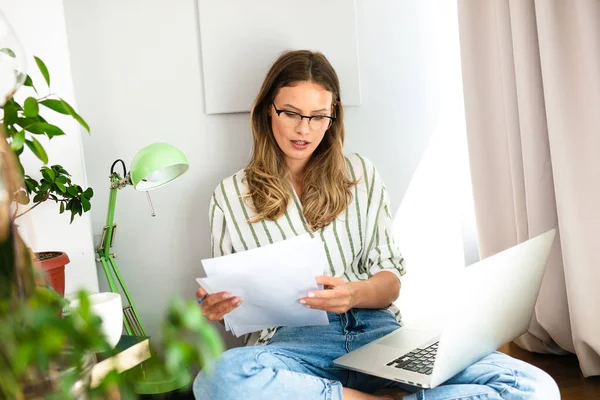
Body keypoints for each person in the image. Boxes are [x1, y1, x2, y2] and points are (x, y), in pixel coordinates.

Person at [193, 50, 559, 400]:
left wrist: (353, 294)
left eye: (319, 116)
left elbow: (390, 283)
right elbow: (238, 308)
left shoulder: (360, 175)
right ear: (267, 111)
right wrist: (216, 309)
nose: (304, 129)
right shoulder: (230, 196)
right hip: (296, 352)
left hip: (379, 338)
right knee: (217, 379)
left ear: (333, 116)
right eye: (291, 113)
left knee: (533, 387)